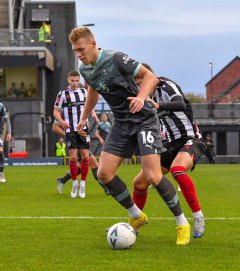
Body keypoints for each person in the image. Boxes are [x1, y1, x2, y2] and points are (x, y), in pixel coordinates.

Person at [69, 26, 190, 245]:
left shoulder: (116, 58)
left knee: (153, 175)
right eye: (75, 50)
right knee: (104, 174)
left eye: (81, 48)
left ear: (93, 43)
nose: (78, 54)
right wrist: (84, 117)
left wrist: (141, 98)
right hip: (121, 124)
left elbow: (149, 77)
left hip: (144, 120)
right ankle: (136, 215)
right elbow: (93, 92)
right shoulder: (85, 70)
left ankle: (182, 223)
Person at [132, 64, 206, 239]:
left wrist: (158, 106)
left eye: (140, 82)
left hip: (190, 139)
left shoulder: (165, 85)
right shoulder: (143, 97)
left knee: (177, 170)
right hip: (169, 145)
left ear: (150, 77)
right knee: (139, 182)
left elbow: (180, 103)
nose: (139, 87)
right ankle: (133, 223)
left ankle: (198, 217)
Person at [54, 70, 90, 199]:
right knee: (74, 157)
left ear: (79, 81)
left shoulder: (84, 92)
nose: (75, 83)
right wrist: (62, 121)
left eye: (77, 81)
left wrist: (89, 119)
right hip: (70, 129)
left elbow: (89, 107)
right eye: (72, 81)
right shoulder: (62, 94)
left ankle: (83, 184)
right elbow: (56, 111)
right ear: (68, 80)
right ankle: (74, 183)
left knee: (86, 157)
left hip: (83, 128)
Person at [52, 119, 109, 195]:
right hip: (76, 143)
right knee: (94, 164)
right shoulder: (64, 111)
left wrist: (88, 140)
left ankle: (62, 180)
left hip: (83, 142)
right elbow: (55, 127)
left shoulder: (83, 112)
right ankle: (107, 189)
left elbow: (86, 130)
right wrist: (69, 135)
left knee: (82, 167)